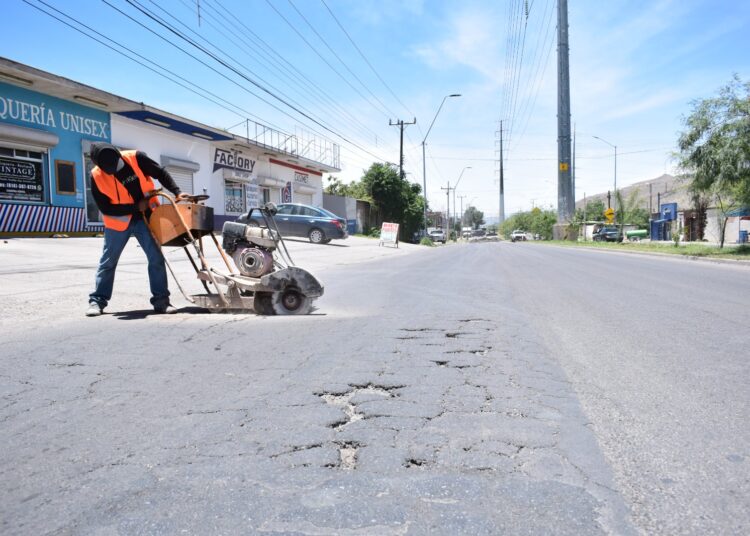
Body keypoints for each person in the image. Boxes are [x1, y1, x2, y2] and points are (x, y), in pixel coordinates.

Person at [86, 142, 189, 316]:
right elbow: (105, 208)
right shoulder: (96, 176)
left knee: (156, 258)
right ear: (99, 165)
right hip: (117, 221)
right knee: (108, 262)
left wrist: (177, 192)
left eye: (116, 165)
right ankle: (97, 301)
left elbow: (160, 172)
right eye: (109, 169)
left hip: (146, 217)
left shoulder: (136, 158)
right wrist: (135, 208)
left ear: (119, 155)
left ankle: (161, 302)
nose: (114, 170)